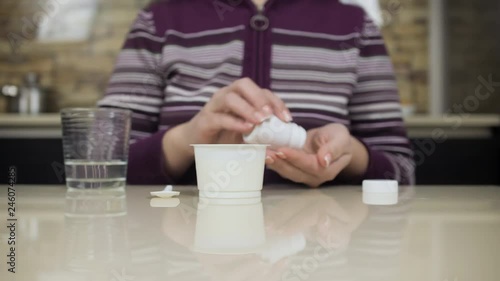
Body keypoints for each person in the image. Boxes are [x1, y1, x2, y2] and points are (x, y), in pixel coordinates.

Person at [98, 0, 414, 187]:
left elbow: (402, 172)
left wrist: (350, 156)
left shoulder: (354, 26)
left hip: (322, 257)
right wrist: (186, 139)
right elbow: (97, 164)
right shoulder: (160, 21)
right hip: (183, 258)